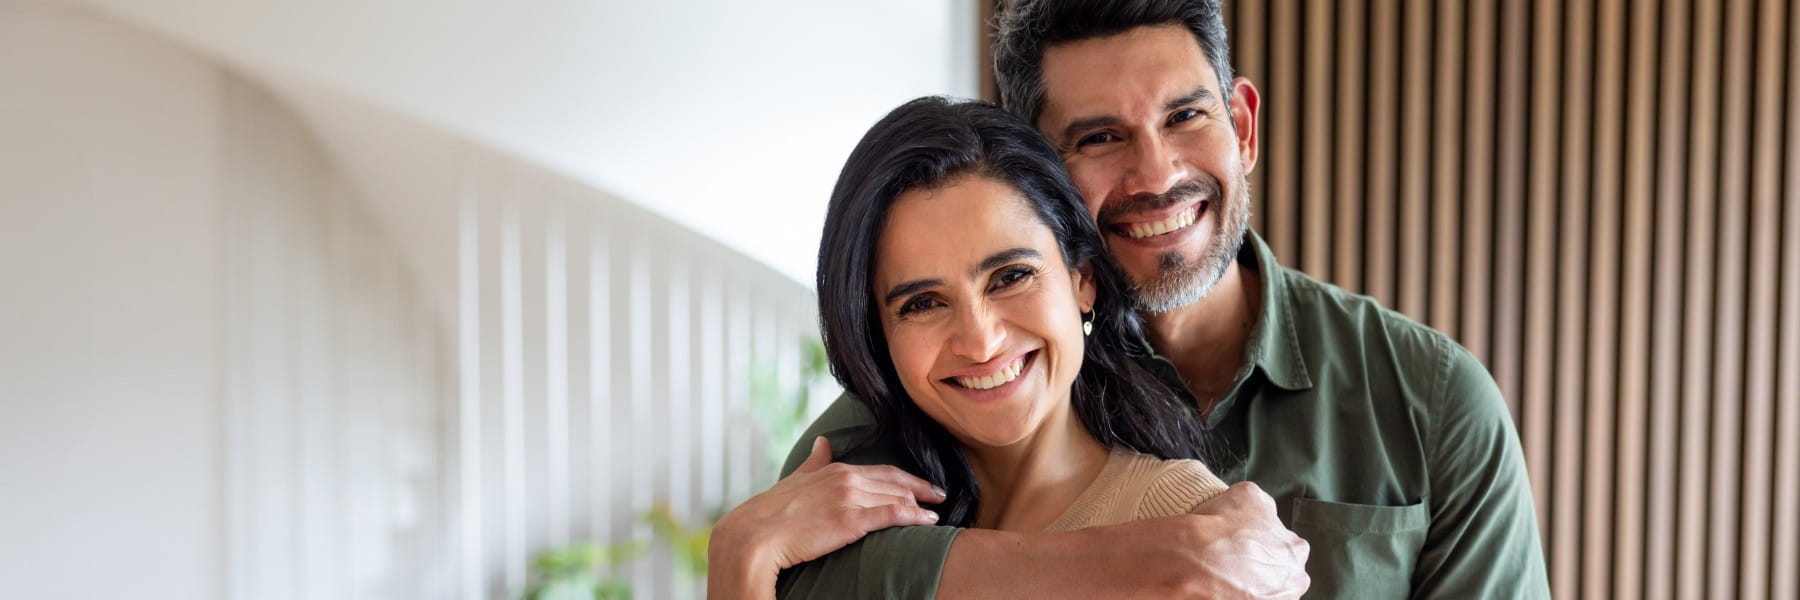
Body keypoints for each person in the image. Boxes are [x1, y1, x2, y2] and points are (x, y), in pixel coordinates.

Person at [766, 0, 1551, 597]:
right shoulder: (956, 383)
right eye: (1100, 137)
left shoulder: (1433, 401)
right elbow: (806, 564)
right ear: (1031, 171)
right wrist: (1121, 562)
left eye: (1186, 116)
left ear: (1241, 125)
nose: (1155, 176)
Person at [708, 96, 1238, 599]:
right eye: (921, 304)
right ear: (877, 335)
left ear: (1083, 279)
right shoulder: (842, 517)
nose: (980, 342)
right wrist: (742, 556)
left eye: (1011, 276)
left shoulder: (1196, 533)